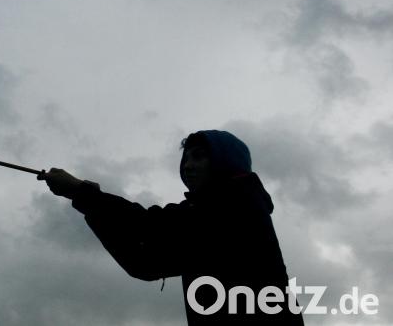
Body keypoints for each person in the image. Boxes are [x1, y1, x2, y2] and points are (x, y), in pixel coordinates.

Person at [38, 130, 304, 325]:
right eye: (186, 159)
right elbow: (143, 262)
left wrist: (83, 193)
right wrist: (89, 202)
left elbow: (151, 226)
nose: (187, 166)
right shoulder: (213, 211)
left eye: (199, 157)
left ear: (227, 161)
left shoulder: (237, 202)